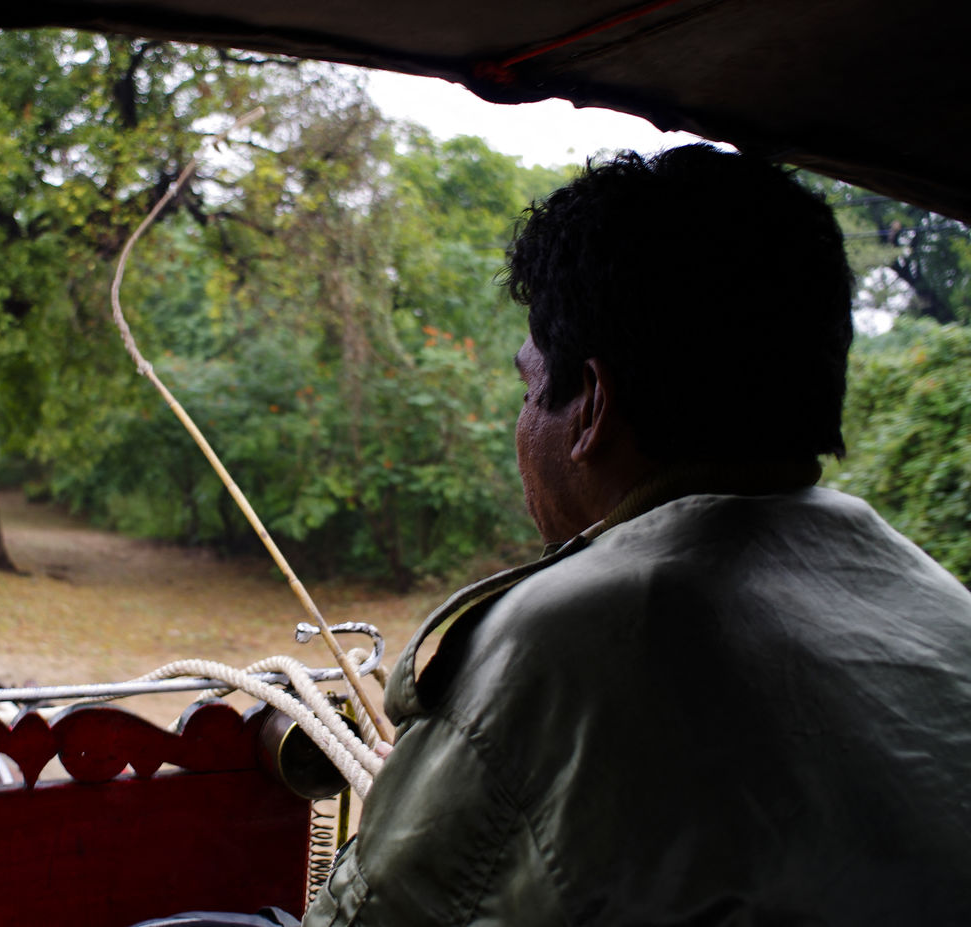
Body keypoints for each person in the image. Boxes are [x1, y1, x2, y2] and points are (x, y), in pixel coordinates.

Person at [300, 146, 971, 925]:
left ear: (590, 405)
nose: (522, 424)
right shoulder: (945, 607)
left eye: (528, 387)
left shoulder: (562, 640)